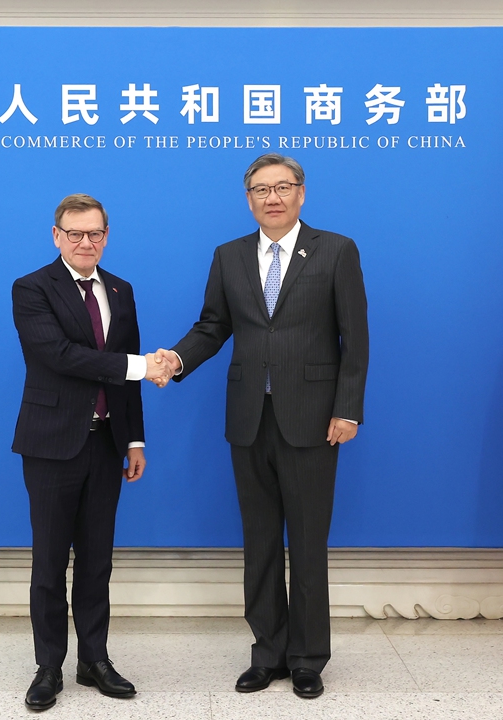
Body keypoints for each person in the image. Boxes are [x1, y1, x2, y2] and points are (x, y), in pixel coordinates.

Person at [155, 154, 368, 699]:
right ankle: (267, 653)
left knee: (309, 543)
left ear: (302, 193)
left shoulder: (336, 250)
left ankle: (307, 659)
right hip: (249, 419)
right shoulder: (228, 257)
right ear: (247, 198)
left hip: (315, 421)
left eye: (283, 187)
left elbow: (355, 339)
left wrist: (348, 408)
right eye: (260, 189)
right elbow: (213, 325)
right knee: (261, 542)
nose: (272, 197)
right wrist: (177, 360)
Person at [11, 193, 173, 711]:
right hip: (51, 444)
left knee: (97, 560)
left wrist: (134, 439)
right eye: (75, 234)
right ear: (56, 235)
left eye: (95, 234)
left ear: (107, 235)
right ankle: (47, 667)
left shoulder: (121, 290)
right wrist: (141, 365)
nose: (86, 243)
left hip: (106, 445)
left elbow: (128, 381)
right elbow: (58, 356)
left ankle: (94, 661)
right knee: (50, 560)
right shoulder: (32, 288)